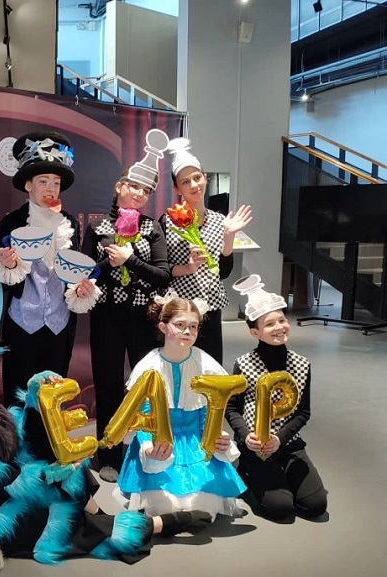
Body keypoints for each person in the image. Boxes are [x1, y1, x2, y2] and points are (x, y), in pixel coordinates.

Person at [0, 333, 209, 565]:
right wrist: (48, 474)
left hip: (13, 486)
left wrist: (34, 399)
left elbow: (20, 445)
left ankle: (101, 514)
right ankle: (158, 524)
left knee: (67, 462)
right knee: (66, 524)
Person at [82, 137, 171, 483]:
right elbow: (85, 273)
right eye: (134, 186)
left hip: (142, 318)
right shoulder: (97, 227)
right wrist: (110, 262)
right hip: (105, 317)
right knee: (107, 386)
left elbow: (162, 276)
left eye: (146, 191)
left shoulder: (152, 227)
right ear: (119, 187)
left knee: (146, 385)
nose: (139, 194)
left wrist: (130, 260)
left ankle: (147, 451)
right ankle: (109, 451)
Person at [0, 131, 99, 406]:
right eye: (43, 181)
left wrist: (80, 288)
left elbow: (73, 271)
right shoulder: (11, 223)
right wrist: (8, 264)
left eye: (56, 182)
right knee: (19, 398)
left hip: (59, 325)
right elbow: (3, 280)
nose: (50, 188)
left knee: (53, 400)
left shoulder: (69, 223)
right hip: (22, 323)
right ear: (28, 185)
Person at [114, 292, 247, 518]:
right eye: (180, 325)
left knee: (202, 504)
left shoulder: (205, 363)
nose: (187, 331)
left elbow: (209, 412)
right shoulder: (148, 365)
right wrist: (147, 445)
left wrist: (216, 436)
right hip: (160, 442)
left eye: (193, 326)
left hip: (196, 441)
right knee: (164, 505)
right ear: (163, 327)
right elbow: (144, 416)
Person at [225, 275, 328, 522]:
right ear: (255, 332)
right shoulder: (244, 364)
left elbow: (303, 412)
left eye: (282, 320)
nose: (279, 327)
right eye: (269, 324)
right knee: (281, 509)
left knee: (315, 506)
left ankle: (283, 474)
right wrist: (245, 435)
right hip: (255, 445)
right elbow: (232, 407)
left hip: (288, 442)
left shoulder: (301, 364)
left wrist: (280, 439)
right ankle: (246, 471)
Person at [162, 137, 253, 364]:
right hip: (179, 310)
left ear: (205, 177)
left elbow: (223, 273)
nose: (194, 185)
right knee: (178, 365)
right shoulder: (167, 222)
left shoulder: (220, 221)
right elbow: (161, 269)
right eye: (186, 182)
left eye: (197, 177)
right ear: (177, 188)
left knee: (210, 365)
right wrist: (188, 266)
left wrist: (229, 237)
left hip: (210, 306)